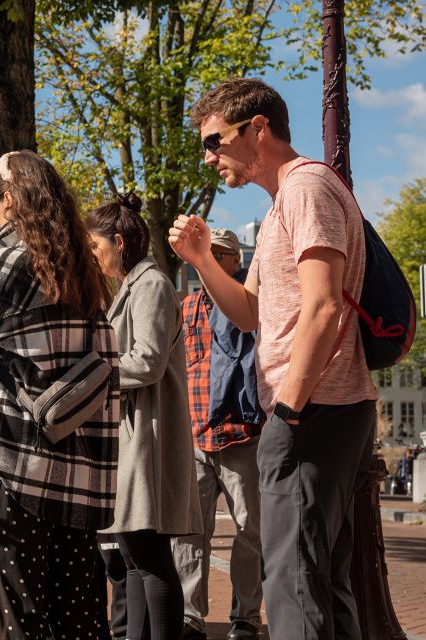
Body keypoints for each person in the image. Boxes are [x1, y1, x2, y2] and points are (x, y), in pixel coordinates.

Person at [169, 77, 378, 640]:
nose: (208, 157)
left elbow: (324, 305)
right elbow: (250, 313)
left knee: (292, 580)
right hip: (318, 410)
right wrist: (201, 260)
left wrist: (286, 410)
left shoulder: (306, 187)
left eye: (215, 141)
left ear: (257, 129)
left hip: (315, 411)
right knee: (319, 579)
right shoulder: (283, 201)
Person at [0, 150, 121, 640]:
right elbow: (107, 357)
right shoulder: (84, 266)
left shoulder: (5, 260)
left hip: (17, 454)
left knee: (8, 593)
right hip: (81, 459)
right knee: (75, 596)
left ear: (10, 202)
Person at [86, 195, 202, 640]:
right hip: (134, 435)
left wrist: (93, 369)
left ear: (119, 241)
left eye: (97, 249)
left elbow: (148, 361)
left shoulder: (151, 285)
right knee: (134, 557)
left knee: (149, 559)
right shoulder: (136, 285)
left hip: (146, 438)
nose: (96, 260)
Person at [172, 228, 263, 640]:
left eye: (218, 254)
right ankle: (190, 614)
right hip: (194, 436)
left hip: (242, 435)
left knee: (250, 530)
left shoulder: (251, 300)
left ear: (233, 261)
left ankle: (245, 617)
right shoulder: (186, 306)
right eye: (205, 253)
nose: (208, 259)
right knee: (191, 529)